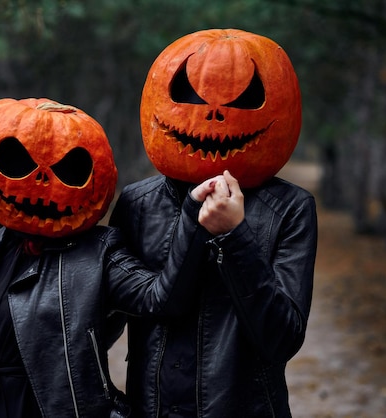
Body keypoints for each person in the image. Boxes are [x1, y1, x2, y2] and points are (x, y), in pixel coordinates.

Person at [0, 97, 229, 418]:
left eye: (68, 169)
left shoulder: (96, 253)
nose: (40, 179)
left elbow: (161, 299)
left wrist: (192, 215)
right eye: (18, 163)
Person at [108, 29, 318, 417]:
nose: (213, 114)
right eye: (191, 96)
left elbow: (282, 338)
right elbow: (91, 329)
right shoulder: (138, 204)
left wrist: (235, 237)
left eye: (242, 99)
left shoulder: (290, 209)